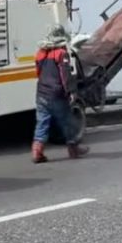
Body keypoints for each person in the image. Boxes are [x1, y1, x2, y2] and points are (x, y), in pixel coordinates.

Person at [32, 25, 89, 163]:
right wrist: (71, 92)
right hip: (56, 94)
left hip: (41, 94)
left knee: (42, 123)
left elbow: (38, 73)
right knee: (68, 122)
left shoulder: (40, 53)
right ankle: (73, 149)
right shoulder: (61, 53)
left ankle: (37, 152)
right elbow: (65, 76)